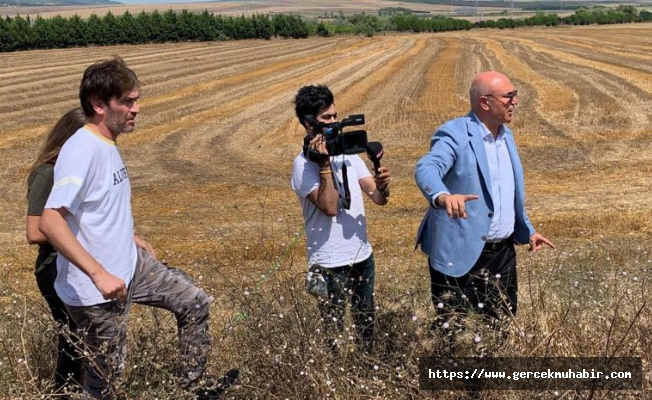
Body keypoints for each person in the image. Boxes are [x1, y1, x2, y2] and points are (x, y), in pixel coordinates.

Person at [38, 57, 237, 400]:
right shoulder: (83, 150)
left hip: (130, 265)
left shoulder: (106, 143)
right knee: (104, 381)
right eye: (127, 102)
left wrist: (128, 236)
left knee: (194, 303)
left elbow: (94, 208)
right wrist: (99, 274)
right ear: (98, 105)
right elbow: (50, 220)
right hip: (95, 291)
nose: (136, 109)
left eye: (136, 99)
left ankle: (191, 391)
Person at [415, 71, 555, 331]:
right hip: (460, 254)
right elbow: (427, 168)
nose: (514, 102)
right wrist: (442, 196)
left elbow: (504, 192)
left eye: (515, 95)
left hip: (502, 254)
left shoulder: (506, 135)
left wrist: (528, 230)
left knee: (501, 328)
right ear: (484, 102)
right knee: (456, 334)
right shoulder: (455, 134)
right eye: (508, 96)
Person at [290, 85, 391, 354]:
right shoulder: (303, 166)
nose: (334, 123)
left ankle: (367, 368)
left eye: (335, 116)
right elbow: (330, 207)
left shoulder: (349, 155)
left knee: (366, 323)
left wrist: (383, 184)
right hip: (328, 262)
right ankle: (334, 376)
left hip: (362, 256)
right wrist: (324, 165)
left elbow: (379, 199)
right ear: (308, 124)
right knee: (332, 331)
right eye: (326, 118)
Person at [26, 107, 86, 397]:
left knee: (80, 339)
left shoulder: (71, 173)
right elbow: (34, 232)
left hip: (72, 265)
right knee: (74, 339)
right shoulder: (47, 173)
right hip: (53, 267)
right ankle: (64, 393)